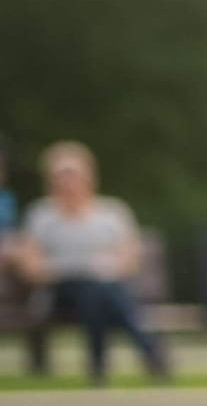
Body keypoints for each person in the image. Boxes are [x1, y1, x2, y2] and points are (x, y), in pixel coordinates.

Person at [10, 141, 171, 385]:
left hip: (105, 286)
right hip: (58, 291)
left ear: (89, 177)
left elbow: (130, 260)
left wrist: (105, 267)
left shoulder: (113, 212)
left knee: (96, 291)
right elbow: (30, 266)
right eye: (62, 175)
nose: (68, 182)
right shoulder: (41, 215)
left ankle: (99, 369)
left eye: (73, 175)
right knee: (94, 290)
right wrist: (69, 269)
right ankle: (147, 351)